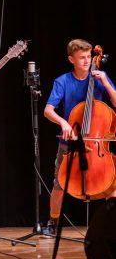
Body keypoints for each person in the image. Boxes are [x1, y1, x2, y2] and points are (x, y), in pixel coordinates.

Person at [43, 38, 116, 235]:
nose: (86, 61)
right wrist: (64, 122)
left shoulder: (101, 76)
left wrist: (106, 84)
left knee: (111, 186)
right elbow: (48, 110)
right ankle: (53, 222)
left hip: (97, 141)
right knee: (59, 184)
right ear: (71, 59)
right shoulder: (63, 81)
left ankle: (112, 224)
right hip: (70, 142)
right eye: (81, 58)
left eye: (88, 57)